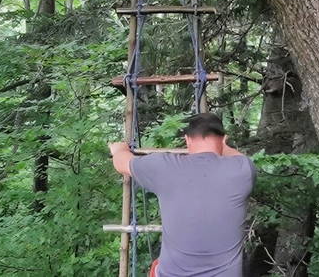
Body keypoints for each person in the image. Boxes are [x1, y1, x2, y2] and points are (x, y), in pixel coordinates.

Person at [110, 112, 256, 277]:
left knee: (157, 266)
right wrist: (221, 144)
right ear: (224, 139)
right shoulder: (243, 170)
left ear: (187, 139)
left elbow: (121, 163)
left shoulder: (164, 166)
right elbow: (236, 156)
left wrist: (119, 149)